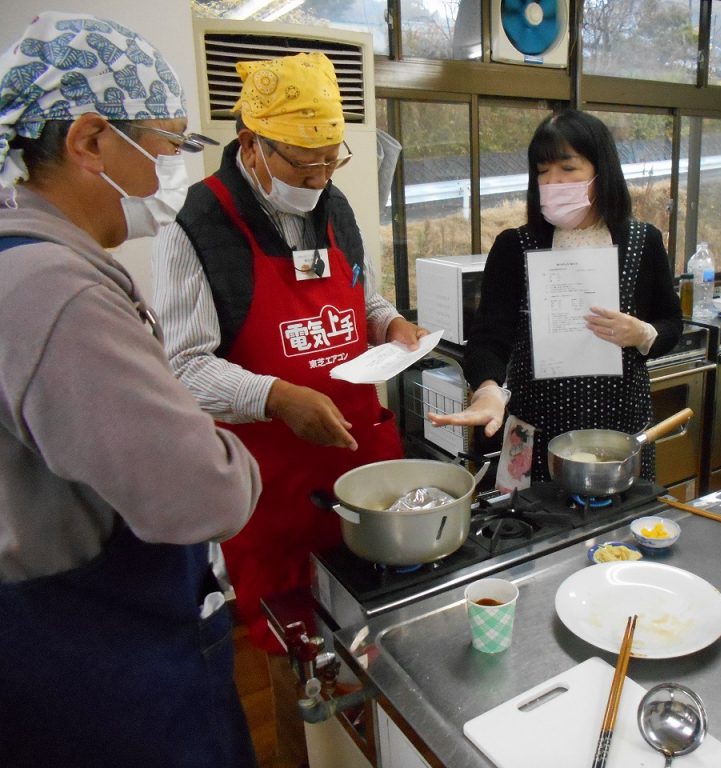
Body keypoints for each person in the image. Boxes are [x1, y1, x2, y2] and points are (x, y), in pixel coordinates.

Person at [0, 12, 261, 767]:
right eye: (165, 146)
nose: (168, 172)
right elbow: (201, 492)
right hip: (100, 659)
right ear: (88, 142)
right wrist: (234, 441)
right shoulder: (54, 289)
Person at [152, 51, 426, 655]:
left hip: (361, 463)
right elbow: (183, 368)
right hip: (273, 482)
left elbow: (365, 300)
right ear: (253, 145)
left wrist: (392, 325)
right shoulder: (193, 226)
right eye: (305, 164)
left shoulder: (336, 206)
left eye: (332, 161)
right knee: (299, 645)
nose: (320, 179)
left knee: (383, 628)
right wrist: (274, 397)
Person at [429, 109, 682, 481]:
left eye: (568, 169)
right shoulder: (515, 246)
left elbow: (671, 323)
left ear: (601, 170)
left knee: (617, 536)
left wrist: (645, 334)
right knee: (532, 534)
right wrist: (486, 387)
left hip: (620, 434)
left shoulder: (643, 242)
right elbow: (488, 339)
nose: (553, 182)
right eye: (542, 171)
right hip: (535, 433)